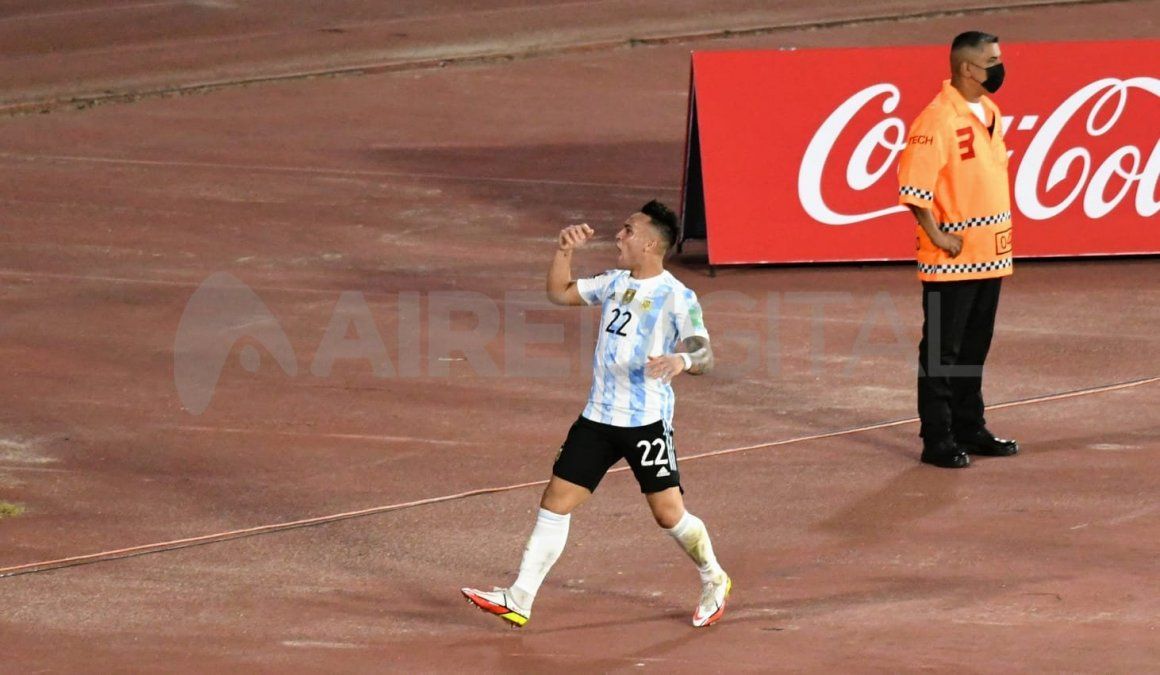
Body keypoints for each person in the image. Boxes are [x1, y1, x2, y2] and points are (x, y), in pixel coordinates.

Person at [461, 200, 730, 627]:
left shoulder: (677, 296)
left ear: (649, 243)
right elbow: (560, 292)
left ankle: (713, 577)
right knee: (556, 501)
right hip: (598, 418)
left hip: (645, 423)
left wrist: (681, 362)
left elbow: (704, 350)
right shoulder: (613, 282)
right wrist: (563, 252)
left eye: (627, 230)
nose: (618, 236)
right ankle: (520, 597)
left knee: (668, 514)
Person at [897, 31, 1020, 469]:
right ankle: (937, 437)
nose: (999, 66)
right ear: (968, 68)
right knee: (941, 352)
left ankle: (971, 425)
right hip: (952, 261)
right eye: (993, 60)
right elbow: (914, 189)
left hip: (992, 254)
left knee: (974, 347)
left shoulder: (989, 110)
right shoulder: (936, 120)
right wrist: (937, 235)